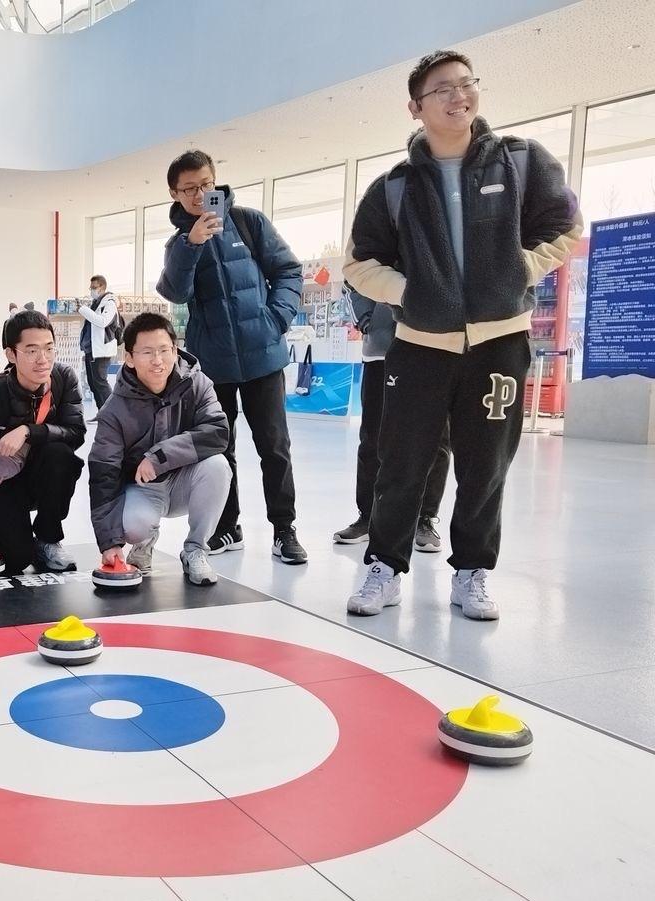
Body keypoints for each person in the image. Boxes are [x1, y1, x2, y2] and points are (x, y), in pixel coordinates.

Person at [344, 49, 581, 619]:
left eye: (465, 83)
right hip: (421, 346)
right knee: (401, 462)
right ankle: (384, 567)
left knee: (486, 465)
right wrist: (410, 292)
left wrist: (520, 270)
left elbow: (567, 224)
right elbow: (359, 262)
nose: (458, 96)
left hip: (500, 343)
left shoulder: (521, 162)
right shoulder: (394, 186)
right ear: (415, 107)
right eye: (442, 89)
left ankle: (472, 571)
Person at [157, 149, 307, 565]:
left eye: (205, 184)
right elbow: (175, 292)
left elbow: (289, 271)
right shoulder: (178, 243)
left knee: (274, 447)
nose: (199, 194)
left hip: (263, 358)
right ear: (174, 194)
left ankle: (284, 529)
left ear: (216, 180)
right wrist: (192, 244)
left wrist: (275, 319)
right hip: (213, 364)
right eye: (189, 189)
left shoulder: (248, 221)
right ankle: (227, 527)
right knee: (219, 448)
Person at [88, 313, 231, 585]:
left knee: (218, 466)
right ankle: (143, 544)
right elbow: (103, 474)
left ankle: (196, 550)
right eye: (147, 352)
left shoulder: (198, 384)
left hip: (185, 481)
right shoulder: (114, 409)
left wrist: (160, 457)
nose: (157, 360)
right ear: (129, 358)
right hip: (143, 489)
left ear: (175, 351)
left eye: (164, 350)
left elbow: (218, 432)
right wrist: (109, 542)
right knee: (132, 526)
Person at [0, 310, 85, 575]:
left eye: (49, 348)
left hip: (40, 476)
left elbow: (76, 432)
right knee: (15, 559)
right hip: (2, 482)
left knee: (61, 455)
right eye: (32, 351)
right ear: (11, 354)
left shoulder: (63, 379)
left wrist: (28, 431)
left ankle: (48, 540)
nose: (43, 359)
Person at [335, 283, 450, 552]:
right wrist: (368, 322)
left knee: (436, 438)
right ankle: (368, 515)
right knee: (373, 438)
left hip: (436, 348)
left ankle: (425, 518)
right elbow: (352, 279)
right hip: (381, 351)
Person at [77, 275, 119, 409]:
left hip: (101, 350)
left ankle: (111, 413)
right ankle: (102, 412)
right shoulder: (96, 303)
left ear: (102, 287)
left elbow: (102, 321)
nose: (92, 290)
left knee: (100, 383)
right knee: (93, 383)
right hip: (91, 349)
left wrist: (83, 310)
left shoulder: (110, 303)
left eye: (94, 287)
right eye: (91, 287)